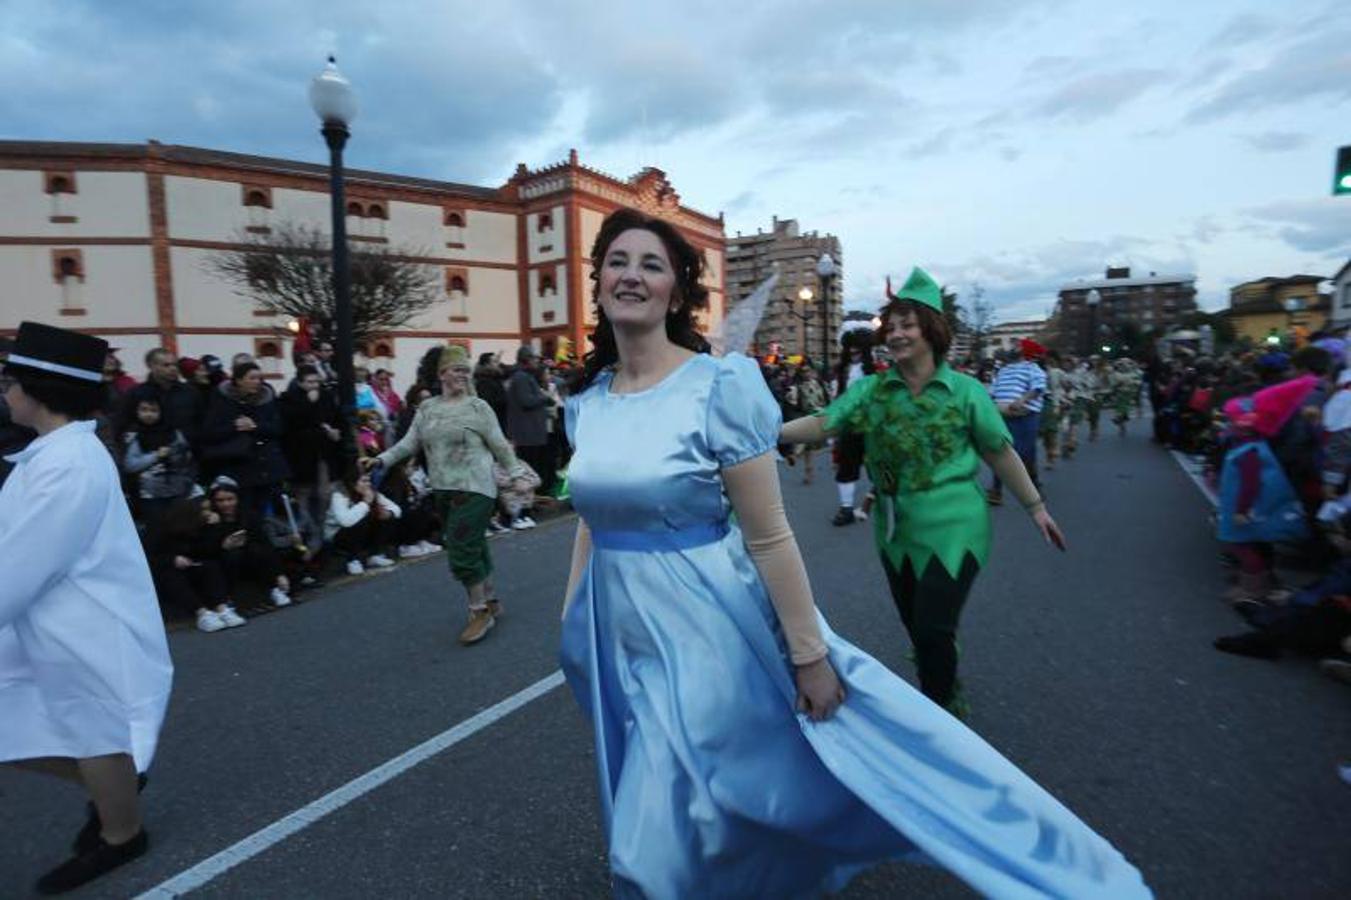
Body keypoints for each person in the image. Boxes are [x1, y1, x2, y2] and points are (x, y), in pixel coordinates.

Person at [560, 212, 1145, 899]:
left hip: (707, 623)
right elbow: (592, 521)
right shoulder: (588, 402)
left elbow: (771, 535)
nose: (631, 275)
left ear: (677, 290)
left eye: (651, 263)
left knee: (655, 836)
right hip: (618, 628)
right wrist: (573, 619)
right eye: (617, 260)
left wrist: (809, 655)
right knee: (681, 799)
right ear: (596, 276)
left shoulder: (718, 387)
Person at [786, 267, 1066, 715]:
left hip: (955, 525)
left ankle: (941, 719)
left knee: (934, 629)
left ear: (931, 330)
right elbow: (824, 422)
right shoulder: (873, 391)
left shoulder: (967, 391)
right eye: (890, 326)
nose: (895, 334)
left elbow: (999, 453)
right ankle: (942, 677)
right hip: (895, 530)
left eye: (907, 324)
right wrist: (766, 432)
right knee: (920, 629)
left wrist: (1036, 507)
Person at [0, 322, 174, 894]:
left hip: (85, 629)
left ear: (38, 389)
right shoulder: (53, 454)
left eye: (10, 382)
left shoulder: (69, 464)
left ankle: (121, 834)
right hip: (49, 624)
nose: (5, 393)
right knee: (20, 727)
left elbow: (22, 564)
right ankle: (116, 790)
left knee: (93, 731)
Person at [365, 344, 526, 644]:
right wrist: (380, 460)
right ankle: (490, 599)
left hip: (476, 488)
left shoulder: (478, 407)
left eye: (466, 370)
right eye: (456, 369)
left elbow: (500, 445)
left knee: (461, 548)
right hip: (443, 489)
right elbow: (408, 443)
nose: (462, 375)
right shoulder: (427, 408)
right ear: (441, 373)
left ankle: (478, 612)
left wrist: (516, 474)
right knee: (475, 545)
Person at [198, 361, 289, 526]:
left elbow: (278, 428)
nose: (257, 382)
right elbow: (209, 433)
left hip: (265, 466)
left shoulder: (267, 398)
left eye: (259, 378)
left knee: (259, 513)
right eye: (252, 378)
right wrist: (235, 426)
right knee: (239, 513)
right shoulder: (222, 400)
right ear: (239, 380)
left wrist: (255, 426)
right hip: (237, 465)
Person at [278, 364, 342, 532]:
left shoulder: (326, 396)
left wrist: (335, 431)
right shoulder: (288, 398)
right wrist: (309, 403)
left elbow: (335, 417)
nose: (314, 385)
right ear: (300, 382)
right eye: (309, 382)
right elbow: (292, 424)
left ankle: (323, 532)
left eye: (316, 381)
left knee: (324, 495)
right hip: (301, 455)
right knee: (303, 495)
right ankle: (305, 534)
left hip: (323, 453)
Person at [987, 339, 1048, 506]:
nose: (1012, 347)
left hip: (1025, 417)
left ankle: (1034, 486)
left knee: (1025, 454)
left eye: (1017, 345)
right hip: (1003, 416)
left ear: (1025, 351)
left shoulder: (1032, 368)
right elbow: (993, 391)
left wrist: (1022, 400)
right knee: (1000, 451)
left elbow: (1038, 387)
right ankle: (996, 490)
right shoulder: (1003, 370)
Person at [120, 396, 197, 527]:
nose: (148, 414)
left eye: (153, 410)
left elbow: (187, 458)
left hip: (177, 491)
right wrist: (156, 456)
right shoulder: (134, 434)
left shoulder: (174, 433)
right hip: (149, 495)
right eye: (144, 410)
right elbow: (129, 465)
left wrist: (174, 455)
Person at [829, 322, 876, 525]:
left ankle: (874, 499)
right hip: (849, 426)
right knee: (846, 466)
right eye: (850, 346)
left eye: (857, 346)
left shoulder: (875, 371)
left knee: (882, 465)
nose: (853, 350)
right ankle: (846, 508)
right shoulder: (841, 371)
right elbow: (835, 400)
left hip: (872, 424)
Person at [324, 470, 401, 575]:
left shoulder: (372, 493)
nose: (368, 484)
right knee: (361, 520)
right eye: (363, 481)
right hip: (338, 535)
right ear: (353, 483)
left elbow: (396, 509)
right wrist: (365, 503)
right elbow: (346, 521)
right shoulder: (340, 495)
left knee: (385, 517)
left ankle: (374, 555)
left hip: (361, 534)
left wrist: (388, 513)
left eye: (368, 481)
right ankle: (353, 560)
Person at [506, 344, 557, 496]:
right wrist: (545, 397)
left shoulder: (524, 376)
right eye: (535, 358)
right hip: (527, 433)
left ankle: (532, 499)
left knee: (533, 467)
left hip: (530, 432)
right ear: (526, 360)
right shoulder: (521, 377)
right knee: (529, 468)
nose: (537, 362)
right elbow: (526, 401)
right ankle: (528, 502)